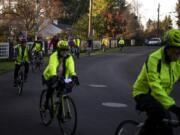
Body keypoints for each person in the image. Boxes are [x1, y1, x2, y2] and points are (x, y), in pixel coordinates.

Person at [132, 29, 180, 135]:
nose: (178, 55)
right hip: (143, 93)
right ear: (168, 47)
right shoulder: (154, 59)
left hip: (161, 98)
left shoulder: (177, 61)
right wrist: (172, 106)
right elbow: (155, 85)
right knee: (159, 113)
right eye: (176, 51)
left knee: (167, 128)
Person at [42, 37, 80, 109]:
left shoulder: (69, 57)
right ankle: (46, 103)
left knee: (63, 91)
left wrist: (74, 76)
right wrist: (54, 76)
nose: (65, 52)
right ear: (59, 50)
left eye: (66, 50)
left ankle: (60, 112)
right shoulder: (54, 56)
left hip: (62, 78)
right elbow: (52, 67)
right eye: (63, 50)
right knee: (51, 89)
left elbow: (71, 68)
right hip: (49, 76)